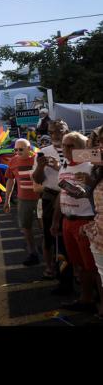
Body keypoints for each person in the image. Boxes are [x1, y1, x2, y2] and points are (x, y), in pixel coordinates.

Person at [51, 132, 99, 313]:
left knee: (92, 266)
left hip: (85, 221)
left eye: (71, 145)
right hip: (67, 221)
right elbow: (61, 194)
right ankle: (87, 298)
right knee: (78, 264)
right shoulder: (64, 165)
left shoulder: (92, 164)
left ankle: (91, 302)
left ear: (83, 147)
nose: (66, 149)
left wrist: (87, 186)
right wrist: (56, 220)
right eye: (64, 145)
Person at [32, 120, 72, 283]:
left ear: (67, 131)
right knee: (49, 235)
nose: (55, 135)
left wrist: (58, 167)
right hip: (50, 196)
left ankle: (73, 270)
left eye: (58, 131)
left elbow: (79, 175)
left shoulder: (77, 149)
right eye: (51, 132)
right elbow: (37, 179)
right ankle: (50, 268)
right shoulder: (43, 152)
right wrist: (40, 167)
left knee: (69, 236)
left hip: (71, 196)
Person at [77, 125, 103, 318]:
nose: (97, 147)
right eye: (96, 142)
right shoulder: (97, 170)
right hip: (98, 235)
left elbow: (81, 154)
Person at [4, 139, 41, 266]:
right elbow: (10, 180)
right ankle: (32, 253)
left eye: (21, 149)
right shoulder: (13, 161)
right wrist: (7, 199)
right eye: (15, 149)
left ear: (29, 148)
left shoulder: (38, 159)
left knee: (44, 227)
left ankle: (49, 253)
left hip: (40, 199)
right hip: (23, 199)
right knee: (26, 227)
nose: (18, 152)